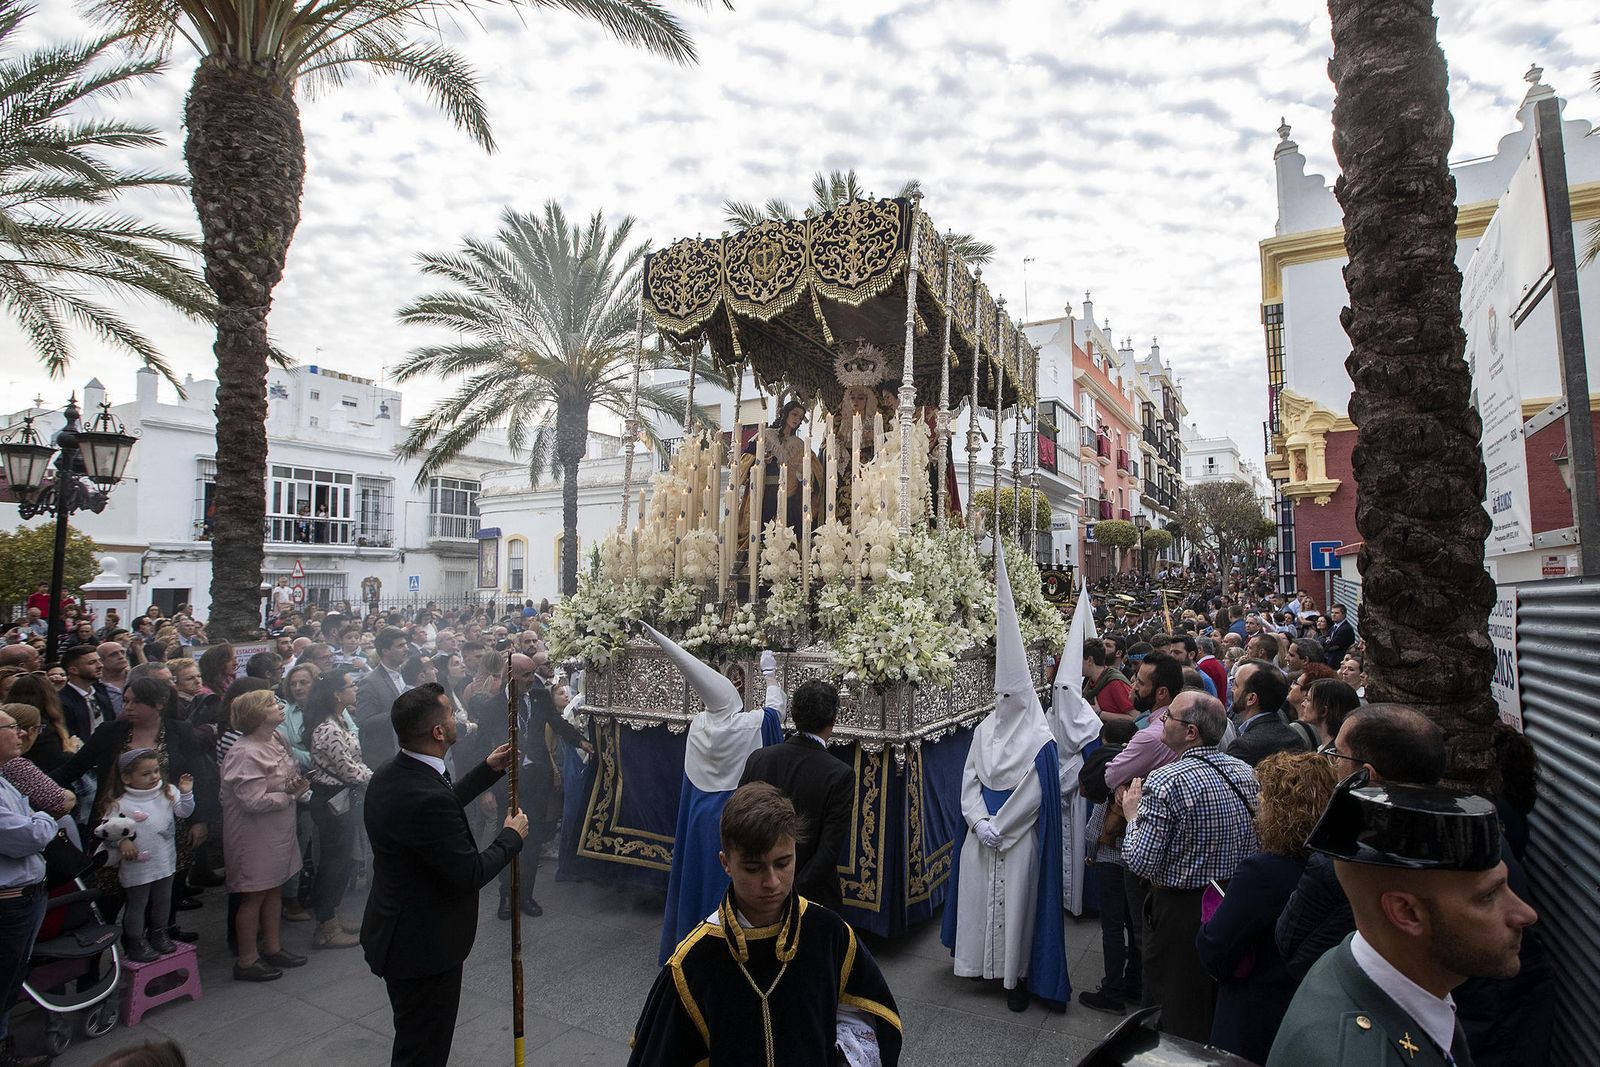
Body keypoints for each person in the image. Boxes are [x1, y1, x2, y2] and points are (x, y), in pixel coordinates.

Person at [627, 783, 902, 1067]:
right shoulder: (694, 961)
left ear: (795, 851)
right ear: (726, 863)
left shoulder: (828, 933)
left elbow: (861, 1018)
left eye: (783, 863)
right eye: (753, 868)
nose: (772, 882)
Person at [1266, 779, 1537, 1067]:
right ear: (1406, 912)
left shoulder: (1355, 965)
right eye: (1488, 896)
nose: (1526, 914)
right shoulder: (1357, 1058)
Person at [361, 683, 527, 1067]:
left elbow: (438, 811)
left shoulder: (393, 772)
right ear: (438, 732)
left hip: (397, 931)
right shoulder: (424, 795)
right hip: (423, 948)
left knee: (415, 1038)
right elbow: (469, 872)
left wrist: (486, 771)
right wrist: (510, 837)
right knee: (423, 1050)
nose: (456, 719)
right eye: (450, 714)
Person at [941, 539, 1069, 1012]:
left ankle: (1015, 974)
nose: (1004, 707)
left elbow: (1035, 792)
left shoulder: (1041, 738)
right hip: (985, 835)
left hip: (1017, 838)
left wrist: (1004, 826)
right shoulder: (983, 729)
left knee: (1017, 907)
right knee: (980, 905)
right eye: (1000, 699)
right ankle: (979, 965)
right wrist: (979, 822)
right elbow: (970, 778)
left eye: (1011, 700)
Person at [1120, 691, 1259, 1042]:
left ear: (1191, 732)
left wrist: (1132, 817)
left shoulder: (1166, 780)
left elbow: (1140, 861)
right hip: (1230, 901)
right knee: (1210, 1000)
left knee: (1175, 1004)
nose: (1162, 720)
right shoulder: (1244, 772)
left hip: (1179, 911)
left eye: (1169, 716)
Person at [644, 626, 782, 963]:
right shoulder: (747, 724)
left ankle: (691, 944)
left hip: (699, 816)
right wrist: (770, 675)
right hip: (734, 815)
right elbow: (776, 712)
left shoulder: (698, 725)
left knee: (698, 878)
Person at [1196, 751, 1337, 1062]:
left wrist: (1210, 919)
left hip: (1251, 1015)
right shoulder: (1336, 867)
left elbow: (1214, 949)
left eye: (1264, 797)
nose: (1258, 804)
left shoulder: (1262, 872)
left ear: (1282, 809)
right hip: (1304, 1013)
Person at [477, 653, 590, 919]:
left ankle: (526, 895)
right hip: (507, 783)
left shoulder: (539, 696)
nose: (531, 680)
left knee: (533, 840)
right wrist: (483, 790)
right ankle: (506, 896)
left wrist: (581, 742)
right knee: (509, 841)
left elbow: (558, 723)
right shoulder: (492, 706)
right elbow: (481, 747)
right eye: (525, 676)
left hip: (537, 780)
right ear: (510, 676)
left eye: (531, 674)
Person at [738, 678, 853, 913]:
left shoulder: (759, 758)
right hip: (811, 898)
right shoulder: (839, 774)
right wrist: (791, 891)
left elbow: (739, 822)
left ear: (793, 715)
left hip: (756, 889)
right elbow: (828, 851)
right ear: (833, 721)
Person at [220, 689, 309, 982]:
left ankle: (273, 947)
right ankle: (247, 959)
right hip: (253, 834)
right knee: (253, 894)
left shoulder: (277, 739)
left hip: (277, 828)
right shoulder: (244, 752)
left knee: (274, 887)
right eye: (271, 704)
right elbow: (252, 800)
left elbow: (285, 775)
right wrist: (288, 796)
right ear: (257, 715)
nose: (279, 706)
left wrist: (296, 786)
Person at [0, 704, 59, 1067]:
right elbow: (30, 834)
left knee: (10, 978)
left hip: (25, 896)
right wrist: (45, 815)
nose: (22, 734)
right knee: (4, 980)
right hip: (10, 903)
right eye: (12, 727)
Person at [95, 749, 195, 962]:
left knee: (163, 899)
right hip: (137, 865)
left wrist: (186, 792)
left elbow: (184, 812)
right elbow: (105, 830)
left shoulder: (167, 791)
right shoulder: (120, 803)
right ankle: (135, 941)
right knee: (137, 903)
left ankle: (159, 932)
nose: (154, 777)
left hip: (164, 859)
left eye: (156, 771)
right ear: (126, 777)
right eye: (146, 774)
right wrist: (123, 840)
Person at [302, 670, 366, 949]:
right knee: (333, 863)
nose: (356, 690)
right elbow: (349, 770)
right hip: (332, 800)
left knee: (341, 861)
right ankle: (326, 925)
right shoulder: (327, 729)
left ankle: (334, 917)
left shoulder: (338, 720)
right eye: (351, 686)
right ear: (337, 694)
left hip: (341, 799)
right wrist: (380, 776)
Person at [1225, 659, 1306, 767]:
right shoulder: (1294, 735)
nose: (1232, 689)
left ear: (1251, 698)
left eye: (1236, 685)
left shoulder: (1243, 747)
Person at [353, 626, 408, 770]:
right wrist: (402, 712)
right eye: (400, 646)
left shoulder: (406, 673)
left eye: (406, 644)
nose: (406, 648)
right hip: (388, 757)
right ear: (385, 650)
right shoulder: (370, 682)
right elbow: (365, 721)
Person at [58, 644, 115, 741]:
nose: (100, 665)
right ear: (74, 670)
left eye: (99, 661)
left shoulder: (101, 697)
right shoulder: (61, 701)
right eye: (92, 663)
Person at [1082, 639, 1135, 722]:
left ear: (1089, 660)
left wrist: (1100, 714)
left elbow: (1135, 716)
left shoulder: (1115, 682)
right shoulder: (1091, 681)